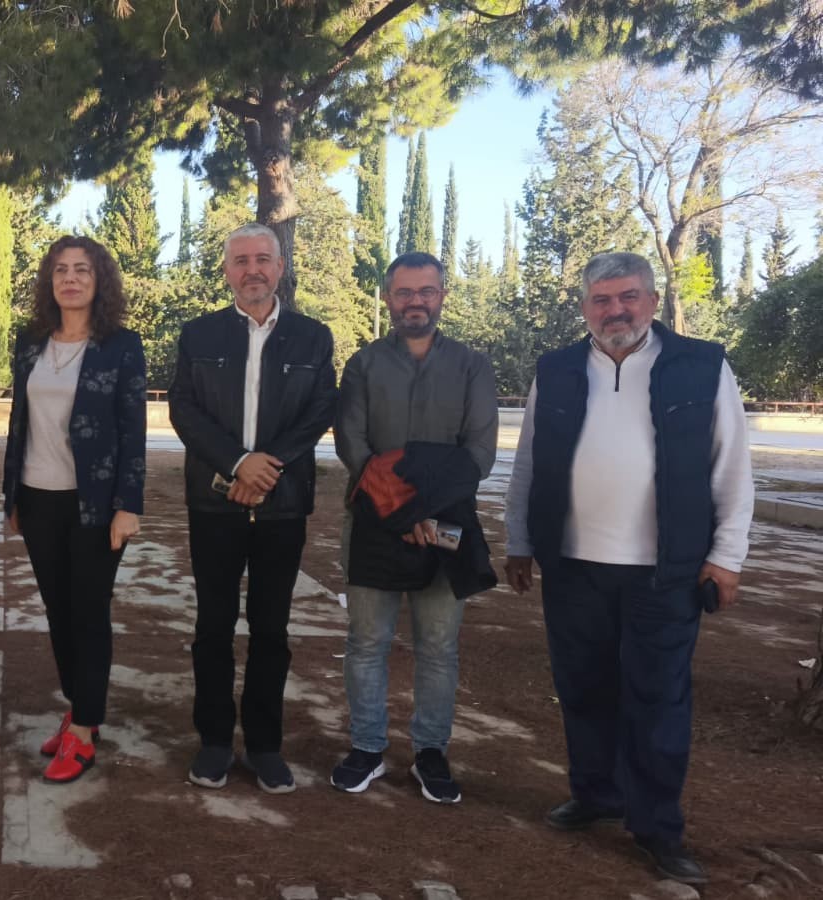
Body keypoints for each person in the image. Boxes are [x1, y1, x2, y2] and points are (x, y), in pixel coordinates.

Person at [503, 252, 753, 886]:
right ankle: (595, 795)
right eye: (602, 300)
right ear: (585, 307)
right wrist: (520, 542)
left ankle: (658, 827)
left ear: (652, 299)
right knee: (583, 687)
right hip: (574, 566)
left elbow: (730, 466)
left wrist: (726, 556)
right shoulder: (556, 369)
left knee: (657, 698)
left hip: (664, 573)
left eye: (628, 297)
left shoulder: (701, 365)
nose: (616, 310)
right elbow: (529, 464)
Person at [168, 223, 337, 793]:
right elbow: (184, 411)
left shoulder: (313, 338)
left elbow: (320, 412)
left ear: (281, 266)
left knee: (271, 628)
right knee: (212, 626)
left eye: (263, 258)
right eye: (240, 260)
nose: (252, 270)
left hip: (282, 506)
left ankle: (265, 745)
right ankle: (215, 740)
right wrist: (238, 463)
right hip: (213, 503)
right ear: (226, 271)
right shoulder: (198, 334)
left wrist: (268, 468)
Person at [329, 252, 498, 804]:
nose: (415, 301)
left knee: (438, 647)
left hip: (446, 527)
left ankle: (430, 752)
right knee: (366, 642)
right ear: (388, 298)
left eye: (426, 291)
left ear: (442, 295)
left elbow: (478, 453)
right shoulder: (363, 365)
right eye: (404, 292)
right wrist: (403, 512)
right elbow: (353, 445)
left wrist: (427, 512)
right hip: (374, 521)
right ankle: (367, 747)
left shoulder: (472, 366)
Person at [2, 235, 146, 784]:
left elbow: (133, 431)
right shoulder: (31, 342)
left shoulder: (121, 345)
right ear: (50, 281)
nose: (70, 278)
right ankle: (80, 707)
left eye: (82, 270)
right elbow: (20, 421)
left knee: (88, 612)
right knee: (58, 612)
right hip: (37, 498)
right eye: (61, 270)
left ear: (99, 279)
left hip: (96, 505)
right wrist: (12, 495)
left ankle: (84, 730)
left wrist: (128, 506)